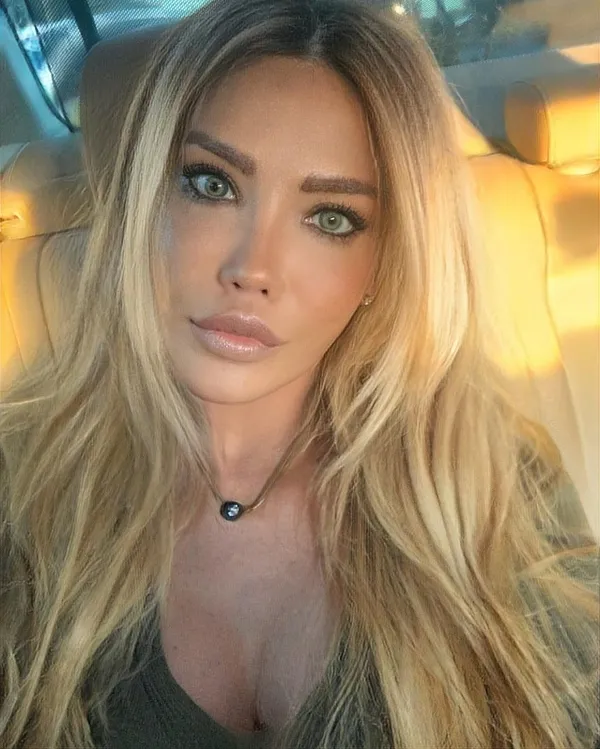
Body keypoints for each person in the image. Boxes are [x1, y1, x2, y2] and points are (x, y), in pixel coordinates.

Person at [1, 1, 598, 747]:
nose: (252, 269)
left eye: (332, 218)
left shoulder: (481, 484)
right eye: (211, 184)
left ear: (384, 264)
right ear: (143, 201)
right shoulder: (24, 491)